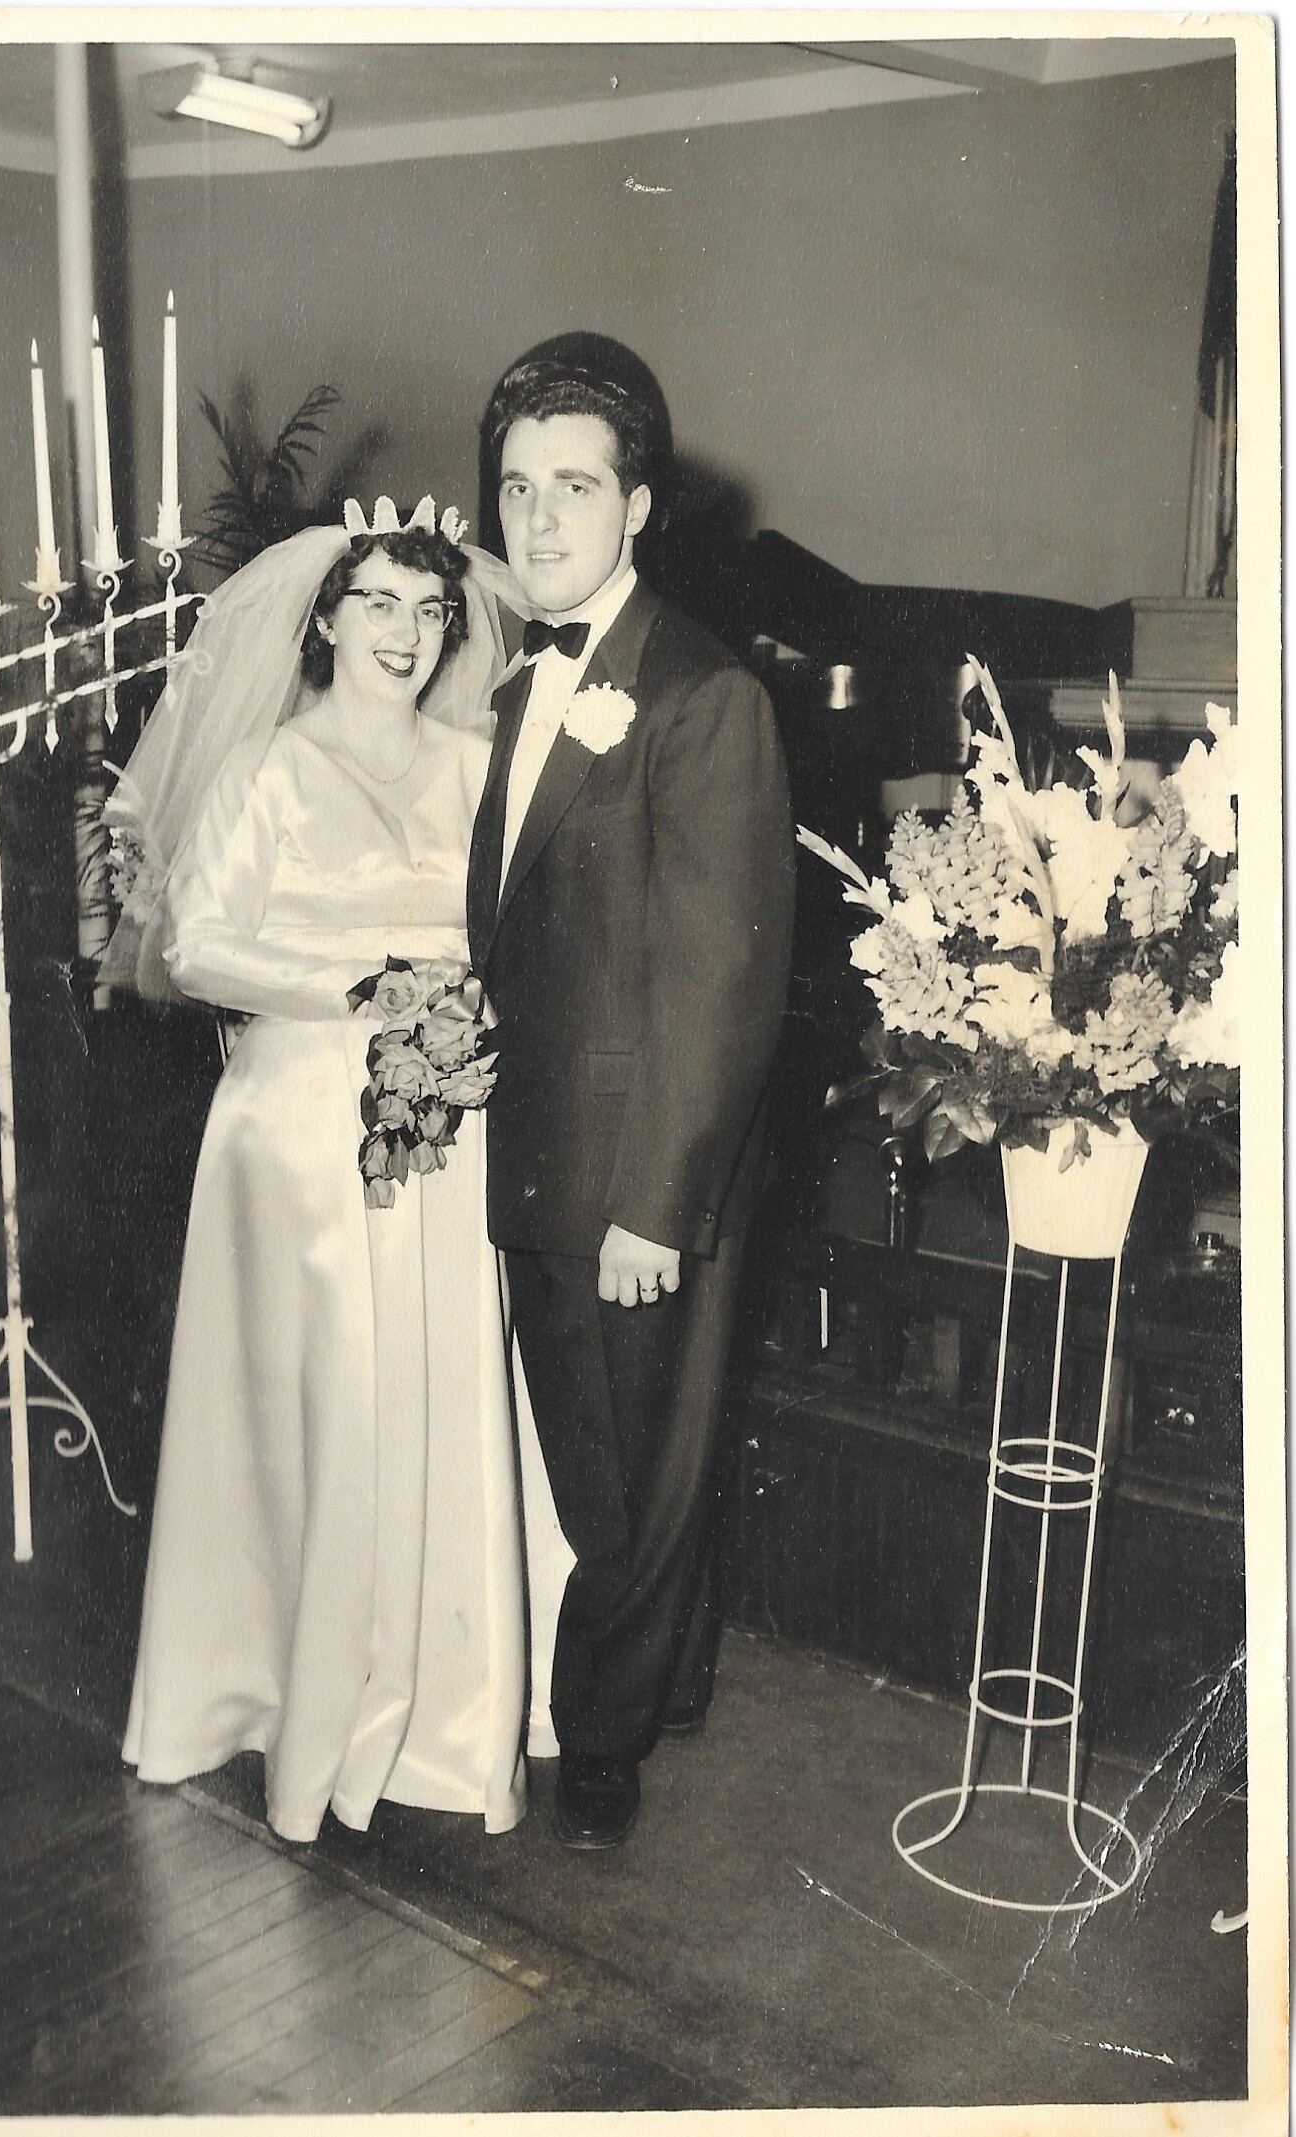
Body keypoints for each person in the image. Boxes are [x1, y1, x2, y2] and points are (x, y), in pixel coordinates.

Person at [107, 497, 544, 1844]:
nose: (407, 633)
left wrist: (471, 1006)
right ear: (327, 619)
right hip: (303, 1129)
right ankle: (294, 1698)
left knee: (445, 1394)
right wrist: (358, 986)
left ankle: (448, 1714)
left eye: (431, 610)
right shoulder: (270, 771)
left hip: (449, 1118)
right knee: (329, 1409)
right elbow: (196, 948)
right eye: (380, 604)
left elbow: (524, 926)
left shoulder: (478, 765)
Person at [468, 334, 797, 1850]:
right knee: (608, 1454)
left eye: (575, 488)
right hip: (541, 1146)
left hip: (638, 1172)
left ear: (639, 506)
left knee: (628, 1481)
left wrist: (656, 1206)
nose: (539, 520)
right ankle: (671, 1678)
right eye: (517, 488)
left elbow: (721, 983)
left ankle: (602, 1737)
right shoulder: (510, 673)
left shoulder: (701, 693)